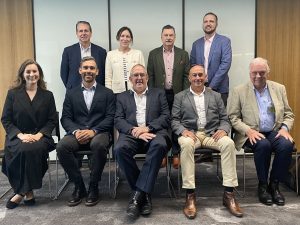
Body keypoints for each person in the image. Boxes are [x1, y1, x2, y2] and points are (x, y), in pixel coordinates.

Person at [172, 65, 243, 219]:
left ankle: (229, 194)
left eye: (200, 75)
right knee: (185, 144)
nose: (197, 78)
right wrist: (183, 131)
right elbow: (174, 120)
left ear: (205, 77)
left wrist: (224, 130)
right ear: (189, 78)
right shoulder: (180, 97)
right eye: (194, 75)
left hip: (212, 134)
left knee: (229, 144)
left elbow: (225, 119)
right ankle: (190, 195)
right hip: (191, 134)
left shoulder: (216, 96)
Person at [227, 57, 295, 206]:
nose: (258, 76)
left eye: (262, 72)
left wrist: (284, 128)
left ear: (268, 73)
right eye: (254, 73)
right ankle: (263, 186)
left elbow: (289, 114)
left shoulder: (279, 88)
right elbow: (233, 117)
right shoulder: (238, 91)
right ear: (249, 73)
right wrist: (248, 131)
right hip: (250, 132)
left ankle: (274, 185)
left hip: (274, 130)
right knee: (263, 145)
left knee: (286, 145)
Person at [57, 56, 115, 207]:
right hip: (77, 133)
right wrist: (76, 131)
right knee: (62, 147)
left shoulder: (108, 93)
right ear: (80, 70)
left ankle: (94, 185)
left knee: (98, 145)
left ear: (97, 71)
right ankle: (79, 186)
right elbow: (66, 118)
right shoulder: (71, 93)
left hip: (100, 133)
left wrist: (94, 131)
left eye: (92, 68)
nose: (88, 71)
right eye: (86, 67)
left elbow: (110, 118)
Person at [114, 64, 171, 219]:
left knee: (160, 145)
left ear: (147, 78)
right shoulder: (121, 97)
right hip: (131, 134)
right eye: (136, 75)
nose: (139, 78)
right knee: (119, 149)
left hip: (153, 132)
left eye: (142, 75)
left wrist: (148, 128)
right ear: (130, 79)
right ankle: (144, 196)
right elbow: (118, 120)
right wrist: (134, 131)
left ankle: (136, 195)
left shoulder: (158, 94)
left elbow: (166, 116)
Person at [1, 59, 58, 209]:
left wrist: (39, 135)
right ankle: (28, 192)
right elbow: (6, 119)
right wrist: (20, 135)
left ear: (39, 74)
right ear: (22, 74)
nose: (32, 74)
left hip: (41, 136)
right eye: (28, 71)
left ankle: (20, 192)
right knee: (21, 149)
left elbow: (52, 120)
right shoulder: (13, 94)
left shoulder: (47, 95)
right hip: (18, 136)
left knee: (29, 149)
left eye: (35, 71)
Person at [147, 24, 190, 169]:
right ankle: (164, 153)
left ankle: (176, 153)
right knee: (162, 123)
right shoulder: (153, 54)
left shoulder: (183, 54)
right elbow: (150, 75)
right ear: (161, 37)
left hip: (177, 94)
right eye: (166, 35)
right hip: (159, 94)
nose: (168, 38)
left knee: (177, 122)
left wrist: (184, 94)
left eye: (171, 35)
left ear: (175, 37)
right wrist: (152, 94)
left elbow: (186, 76)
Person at [190, 12, 232, 106]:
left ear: (216, 24)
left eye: (211, 21)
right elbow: (192, 65)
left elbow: (225, 64)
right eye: (205, 21)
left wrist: (212, 86)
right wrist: (199, 85)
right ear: (203, 24)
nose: (208, 24)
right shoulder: (196, 44)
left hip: (220, 89)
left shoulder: (224, 41)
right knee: (201, 116)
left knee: (218, 118)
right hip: (199, 87)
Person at [60, 21, 107, 89]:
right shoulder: (68, 51)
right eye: (80, 31)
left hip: (97, 92)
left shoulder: (101, 52)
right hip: (74, 91)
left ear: (91, 33)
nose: (83, 33)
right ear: (77, 33)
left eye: (86, 31)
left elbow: (104, 74)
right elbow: (63, 74)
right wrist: (71, 87)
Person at [105, 26, 145, 93]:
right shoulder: (110, 55)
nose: (125, 39)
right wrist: (109, 93)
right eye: (122, 36)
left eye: (127, 36)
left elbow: (144, 75)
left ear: (131, 39)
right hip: (116, 92)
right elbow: (108, 77)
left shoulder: (138, 54)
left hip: (135, 91)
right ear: (118, 38)